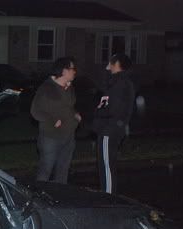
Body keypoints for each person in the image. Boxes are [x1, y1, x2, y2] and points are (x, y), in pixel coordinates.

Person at [30, 57, 83, 184]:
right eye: (72, 69)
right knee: (45, 171)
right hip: (51, 137)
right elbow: (35, 111)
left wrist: (75, 114)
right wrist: (51, 120)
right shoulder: (47, 88)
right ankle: (39, 198)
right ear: (64, 71)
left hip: (68, 137)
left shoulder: (69, 88)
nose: (74, 71)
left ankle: (59, 199)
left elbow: (68, 107)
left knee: (63, 170)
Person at [93, 53, 136, 194]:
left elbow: (113, 108)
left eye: (111, 61)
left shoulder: (120, 83)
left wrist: (99, 113)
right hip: (110, 128)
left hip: (109, 129)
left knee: (107, 166)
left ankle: (109, 197)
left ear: (117, 63)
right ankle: (107, 193)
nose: (108, 63)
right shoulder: (118, 81)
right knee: (106, 164)